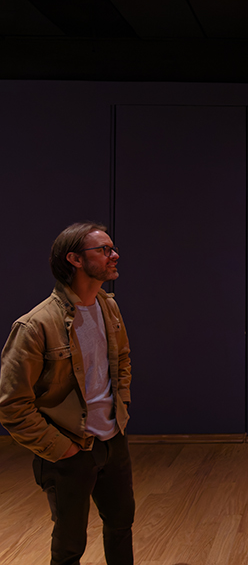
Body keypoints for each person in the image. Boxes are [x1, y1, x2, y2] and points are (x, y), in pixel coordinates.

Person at [0, 222, 134, 565]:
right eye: (103, 250)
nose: (114, 255)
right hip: (69, 449)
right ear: (74, 258)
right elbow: (12, 405)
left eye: (111, 248)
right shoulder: (35, 325)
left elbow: (122, 363)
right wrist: (62, 449)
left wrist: (121, 409)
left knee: (121, 526)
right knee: (70, 545)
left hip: (112, 439)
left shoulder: (109, 308)